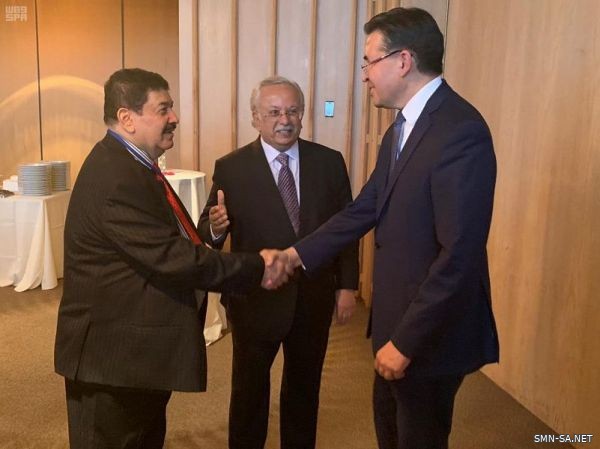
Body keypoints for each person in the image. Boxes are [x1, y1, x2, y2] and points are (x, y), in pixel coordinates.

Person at [285, 8, 499, 449]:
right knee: (389, 430)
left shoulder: (460, 131)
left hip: (428, 333)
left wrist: (406, 342)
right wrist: (295, 254)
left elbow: (459, 255)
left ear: (403, 61)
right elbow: (364, 209)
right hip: (395, 322)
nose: (364, 75)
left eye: (369, 61)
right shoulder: (399, 130)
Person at [54, 68, 290, 449]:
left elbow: (175, 242)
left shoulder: (133, 166)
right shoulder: (117, 177)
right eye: (163, 109)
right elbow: (172, 256)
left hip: (136, 358)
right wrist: (258, 267)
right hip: (111, 362)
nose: (174, 118)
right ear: (127, 118)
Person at [198, 76, 359, 449]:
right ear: (255, 117)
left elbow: (346, 229)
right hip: (255, 300)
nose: (284, 120)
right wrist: (217, 227)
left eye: (292, 111)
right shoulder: (232, 167)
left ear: (302, 115)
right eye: (273, 112)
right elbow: (208, 228)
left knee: (304, 390)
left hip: (313, 299)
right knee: (249, 392)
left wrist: (347, 285)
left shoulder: (329, 162)